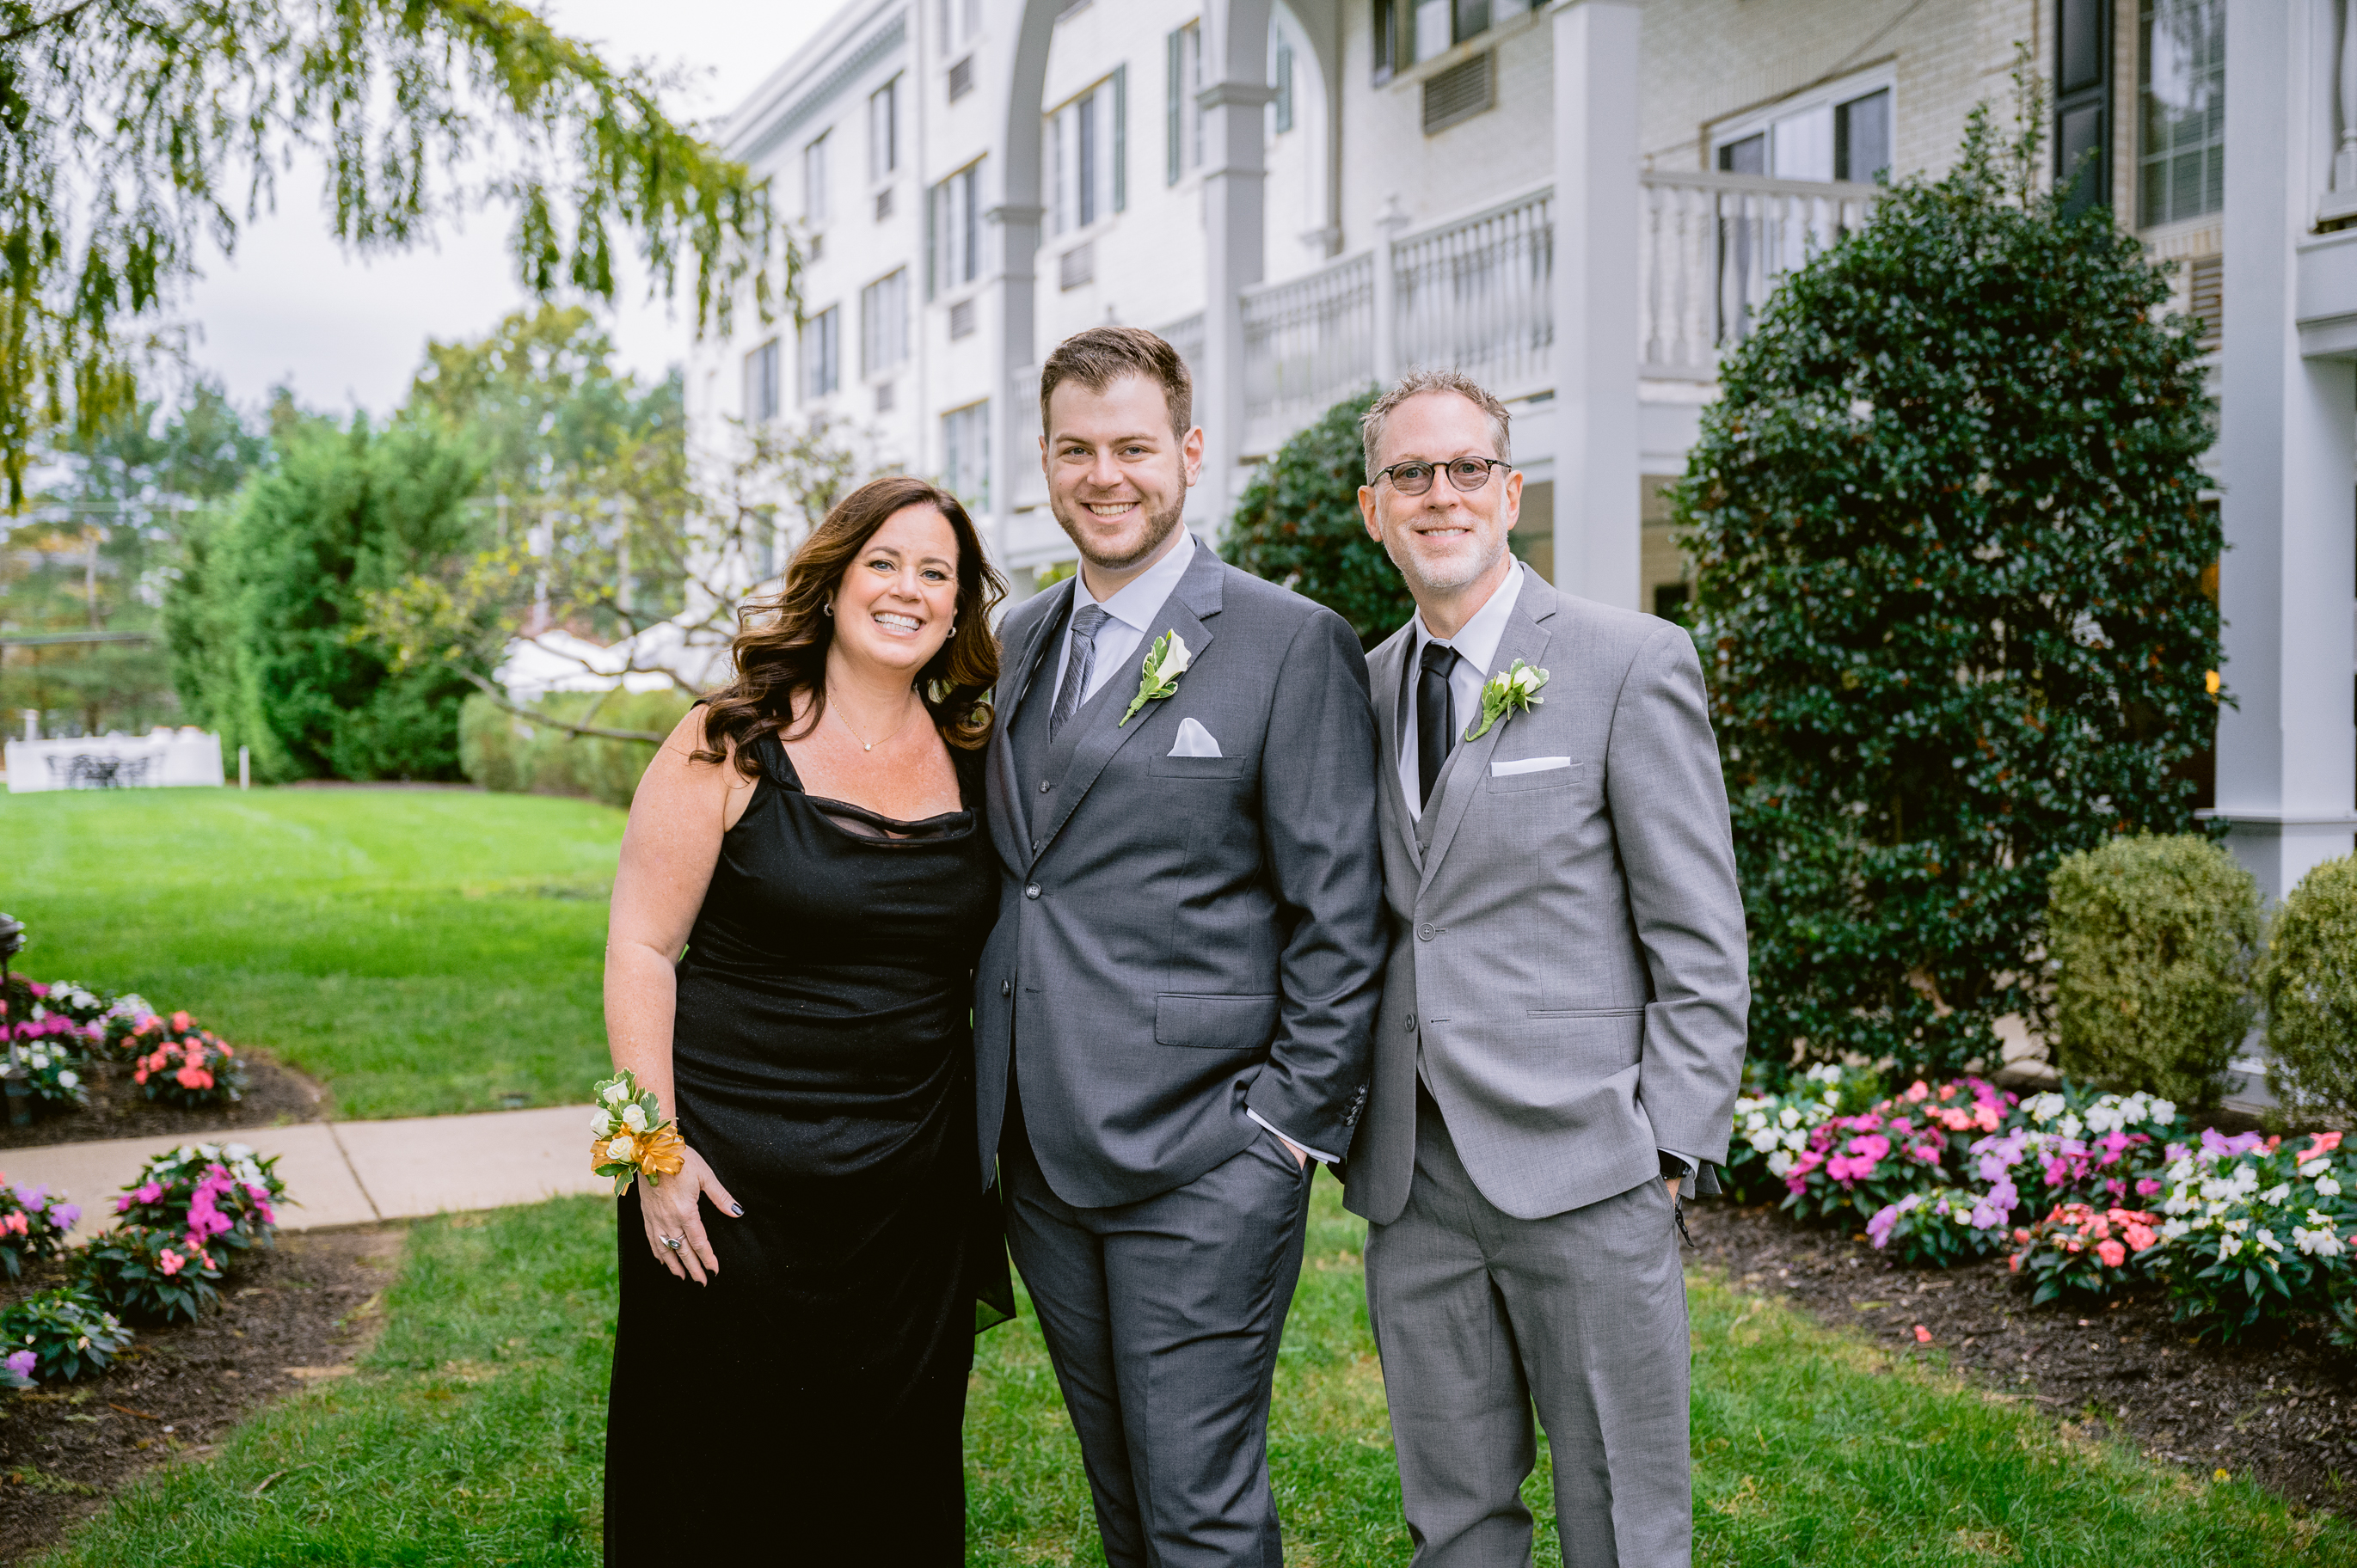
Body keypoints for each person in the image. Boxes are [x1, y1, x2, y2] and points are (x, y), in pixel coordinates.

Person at [974, 326, 1387, 1567]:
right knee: (1122, 1499)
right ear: (1044, 460)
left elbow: (1339, 914)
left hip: (1207, 1159)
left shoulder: (1285, 641)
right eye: (1076, 450)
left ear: (1189, 453)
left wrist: (1283, 1131)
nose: (1105, 476)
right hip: (1041, 1156)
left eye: (1133, 448)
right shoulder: (1012, 641)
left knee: (1198, 1509)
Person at [1343, 369, 1750, 1568]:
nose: (1440, 494)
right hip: (1414, 1178)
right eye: (1409, 473)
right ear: (1374, 510)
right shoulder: (1358, 687)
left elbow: (1699, 933)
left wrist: (1667, 1149)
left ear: (1510, 492)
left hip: (1589, 1166)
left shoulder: (1630, 661)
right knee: (1453, 1517)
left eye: (1466, 467)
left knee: (1623, 1518)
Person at [601, 475, 1011, 1565]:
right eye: (885, 563)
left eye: (936, 573)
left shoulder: (980, 757)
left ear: (958, 606)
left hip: (908, 1194)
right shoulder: (727, 739)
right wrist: (653, 1154)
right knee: (714, 1469)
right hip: (728, 1181)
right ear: (832, 582)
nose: (908, 589)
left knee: (888, 1473)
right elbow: (640, 949)